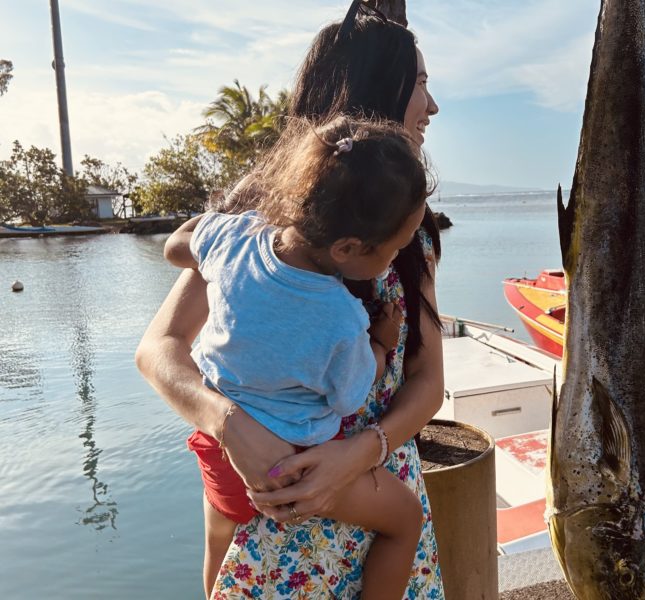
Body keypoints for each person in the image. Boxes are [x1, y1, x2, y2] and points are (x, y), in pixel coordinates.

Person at [136, 2, 444, 598]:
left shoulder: (409, 225)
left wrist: (358, 455)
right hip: (271, 507)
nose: (431, 106)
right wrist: (229, 425)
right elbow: (159, 348)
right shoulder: (266, 215)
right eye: (422, 84)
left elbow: (427, 380)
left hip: (375, 492)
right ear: (379, 85)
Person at [164, 116, 429, 599]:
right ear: (348, 247)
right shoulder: (342, 318)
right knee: (404, 520)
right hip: (293, 464)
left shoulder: (236, 236)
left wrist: (218, 241)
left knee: (220, 538)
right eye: (393, 250)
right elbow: (349, 397)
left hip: (219, 449)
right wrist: (381, 342)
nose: (394, 260)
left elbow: (176, 247)